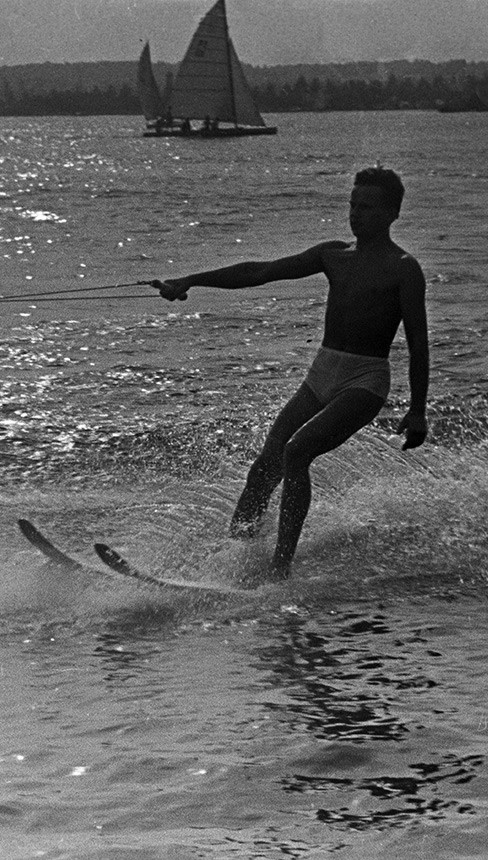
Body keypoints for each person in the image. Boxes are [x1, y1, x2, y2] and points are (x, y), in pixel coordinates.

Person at [151, 166, 429, 578]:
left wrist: (419, 410)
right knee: (265, 465)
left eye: (366, 207)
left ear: (392, 213)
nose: (355, 214)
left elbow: (419, 344)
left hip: (365, 381)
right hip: (323, 372)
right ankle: (235, 556)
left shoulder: (404, 268)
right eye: (352, 205)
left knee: (297, 451)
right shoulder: (333, 255)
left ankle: (280, 570)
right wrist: (191, 280)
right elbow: (259, 272)